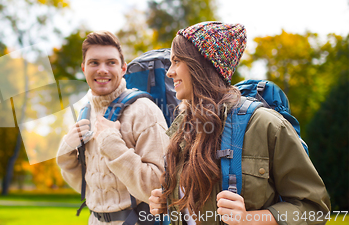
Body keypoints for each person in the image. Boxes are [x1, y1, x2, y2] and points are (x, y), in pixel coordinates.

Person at [148, 22, 330, 225]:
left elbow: (315, 209)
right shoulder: (182, 130)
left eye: (176, 61)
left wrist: (250, 219)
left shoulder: (265, 125)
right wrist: (169, 203)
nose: (169, 72)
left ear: (201, 64)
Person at [57, 31, 170, 225]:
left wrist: (111, 143)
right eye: (94, 63)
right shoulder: (85, 112)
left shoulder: (144, 111)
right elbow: (88, 186)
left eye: (111, 62)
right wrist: (65, 151)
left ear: (123, 68)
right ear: (84, 68)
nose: (102, 70)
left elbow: (158, 185)